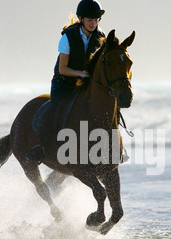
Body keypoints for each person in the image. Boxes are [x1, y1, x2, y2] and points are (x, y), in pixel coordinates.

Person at [26, 0, 106, 164]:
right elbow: (63, 69)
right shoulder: (67, 38)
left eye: (96, 20)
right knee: (54, 108)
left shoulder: (101, 36)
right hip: (64, 83)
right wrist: (79, 73)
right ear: (81, 19)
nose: (94, 23)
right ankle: (40, 146)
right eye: (90, 20)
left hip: (86, 83)